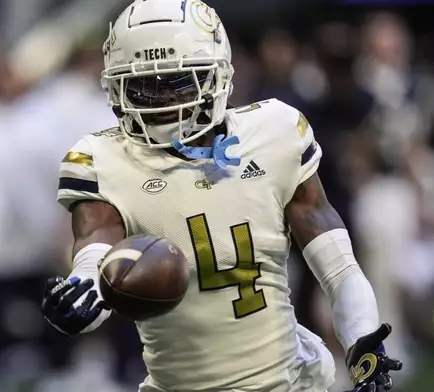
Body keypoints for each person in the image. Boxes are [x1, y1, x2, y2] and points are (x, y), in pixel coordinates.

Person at [42, 1, 402, 391]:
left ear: (217, 76)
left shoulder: (274, 132)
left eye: (178, 82)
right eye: (143, 85)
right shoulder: (104, 160)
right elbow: (97, 246)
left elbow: (336, 262)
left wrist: (363, 338)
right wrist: (84, 288)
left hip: (288, 382)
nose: (163, 100)